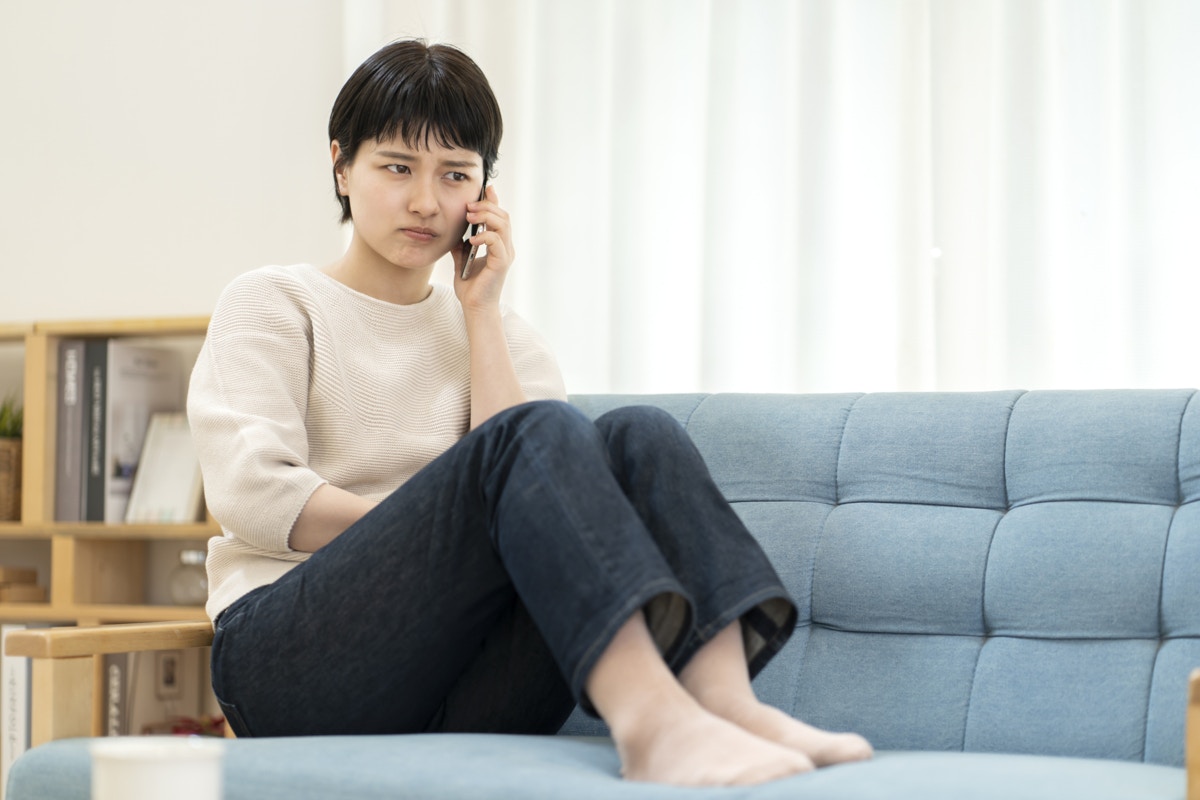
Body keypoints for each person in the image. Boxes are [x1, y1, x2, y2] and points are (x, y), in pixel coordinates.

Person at [187, 38, 872, 787]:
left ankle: (722, 703)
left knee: (640, 437)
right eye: (396, 168)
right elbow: (253, 492)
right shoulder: (274, 301)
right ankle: (653, 728)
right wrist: (437, 529)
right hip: (293, 664)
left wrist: (480, 311)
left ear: (484, 194)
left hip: (462, 685)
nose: (425, 201)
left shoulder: (504, 337)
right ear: (341, 164)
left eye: (455, 175)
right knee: (535, 441)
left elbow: (546, 501)